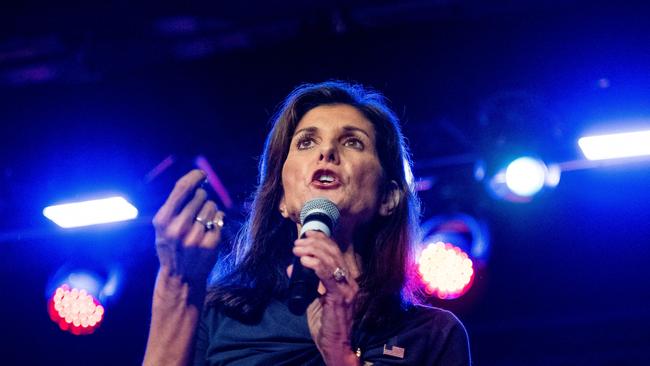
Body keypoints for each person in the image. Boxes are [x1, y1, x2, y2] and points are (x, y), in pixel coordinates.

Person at [143, 81, 471, 365]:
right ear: (282, 201)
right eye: (306, 142)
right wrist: (175, 287)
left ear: (389, 198)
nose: (326, 151)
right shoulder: (219, 315)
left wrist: (340, 354)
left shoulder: (432, 334)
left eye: (353, 142)